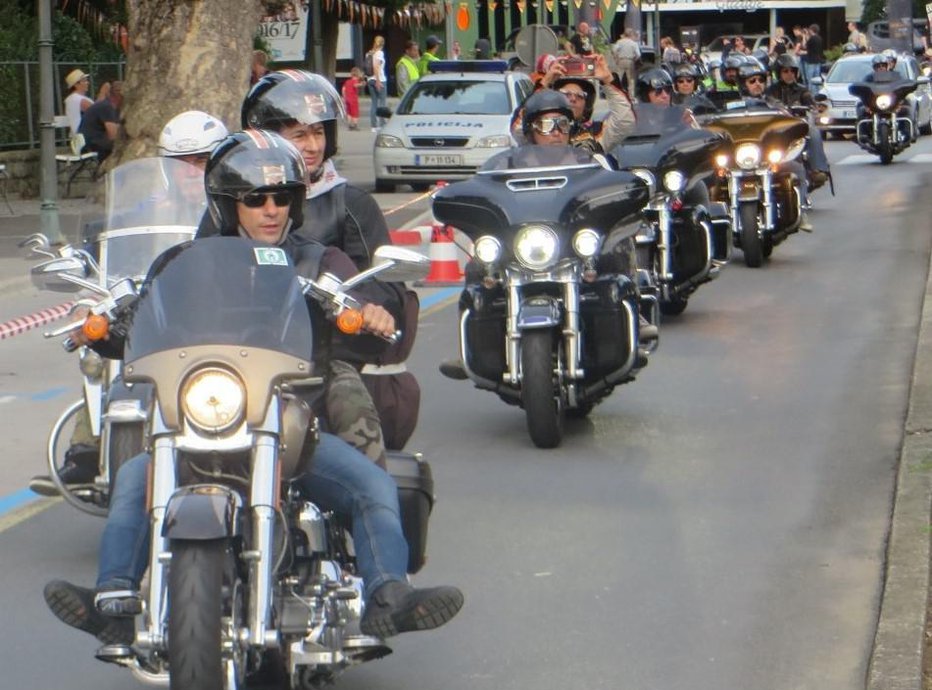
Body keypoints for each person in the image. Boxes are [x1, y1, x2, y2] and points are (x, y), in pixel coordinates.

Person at [42, 130, 464, 647]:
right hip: (200, 417)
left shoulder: (320, 263)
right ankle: (113, 599)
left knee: (372, 484)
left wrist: (370, 313)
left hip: (291, 421)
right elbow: (140, 322)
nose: (270, 209)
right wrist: (101, 321)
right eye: (254, 198)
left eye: (282, 196)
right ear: (227, 203)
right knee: (133, 479)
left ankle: (387, 594)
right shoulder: (181, 263)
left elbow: (367, 310)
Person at [28, 110, 229, 498]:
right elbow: (108, 241)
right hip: (153, 303)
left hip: (211, 313)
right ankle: (86, 452)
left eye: (202, 161)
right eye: (181, 162)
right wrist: (86, 291)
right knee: (97, 355)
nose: (191, 172)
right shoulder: (146, 207)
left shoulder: (235, 208)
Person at [238, 69, 418, 452]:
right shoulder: (234, 202)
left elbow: (378, 285)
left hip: (321, 351)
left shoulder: (348, 203)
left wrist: (369, 310)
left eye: (318, 132)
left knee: (356, 432)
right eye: (299, 134)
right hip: (235, 349)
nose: (312, 145)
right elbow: (197, 264)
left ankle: (373, 500)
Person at [735, 60, 813, 231]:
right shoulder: (732, 105)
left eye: (761, 80)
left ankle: (801, 211)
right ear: (743, 83)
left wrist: (790, 119)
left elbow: (787, 120)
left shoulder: (773, 103)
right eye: (752, 81)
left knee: (796, 168)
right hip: (738, 158)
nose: (757, 84)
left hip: (767, 157)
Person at [530, 53, 636, 153]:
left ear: (587, 105)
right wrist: (545, 83)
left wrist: (608, 79)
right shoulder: (539, 127)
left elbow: (625, 121)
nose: (573, 99)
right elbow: (518, 129)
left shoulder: (596, 133)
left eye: (580, 96)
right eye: (566, 94)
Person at [78, 80, 123, 162]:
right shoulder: (107, 107)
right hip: (90, 144)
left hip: (92, 141)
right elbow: (113, 135)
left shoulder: (109, 106)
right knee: (121, 145)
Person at [366, 36, 388, 131]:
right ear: (382, 44)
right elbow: (376, 67)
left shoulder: (369, 53)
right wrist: (378, 81)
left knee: (374, 103)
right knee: (382, 103)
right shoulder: (379, 53)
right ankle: (382, 124)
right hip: (379, 80)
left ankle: (373, 126)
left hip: (370, 79)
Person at [63, 69, 94, 136]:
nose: (87, 82)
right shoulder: (77, 99)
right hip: (83, 136)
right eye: (84, 80)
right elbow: (97, 112)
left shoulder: (72, 98)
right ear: (76, 84)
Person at [612, 28, 641, 93]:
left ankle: (616, 93)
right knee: (630, 79)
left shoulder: (619, 42)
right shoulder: (633, 43)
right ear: (631, 35)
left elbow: (614, 50)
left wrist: (616, 58)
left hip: (621, 60)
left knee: (619, 77)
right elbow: (638, 54)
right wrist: (634, 59)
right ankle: (631, 95)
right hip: (630, 61)